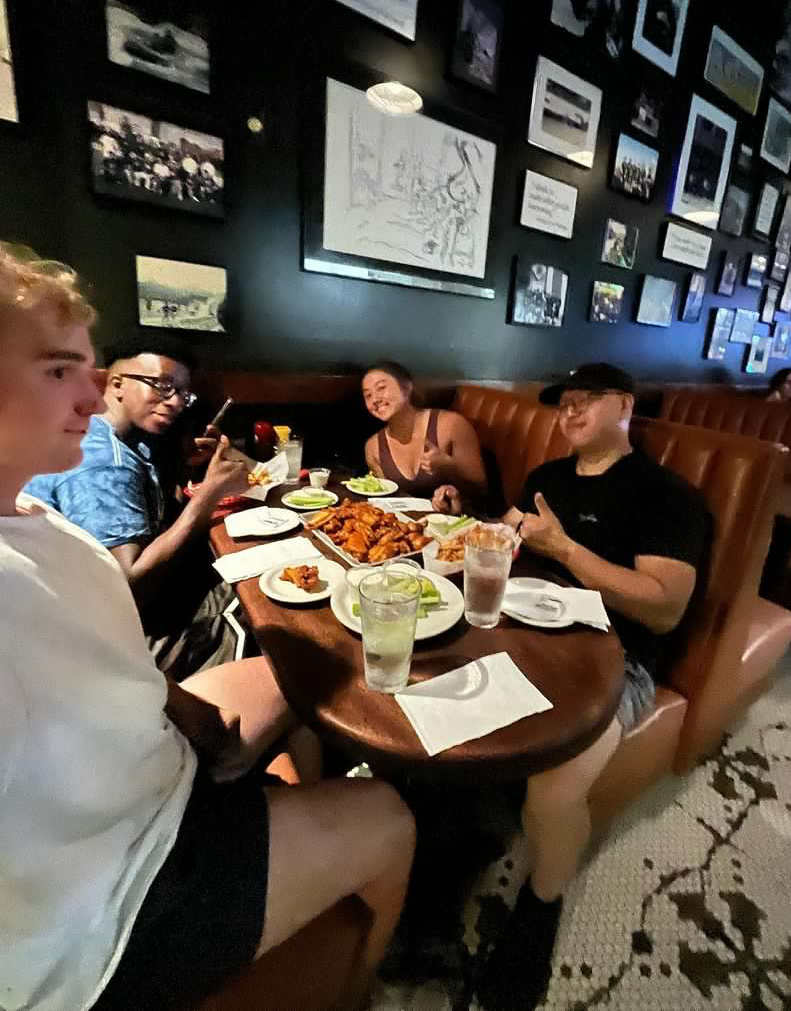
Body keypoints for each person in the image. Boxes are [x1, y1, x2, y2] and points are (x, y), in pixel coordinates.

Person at [0, 244, 416, 1011]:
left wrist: (186, 711)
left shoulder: (32, 514)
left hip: (153, 761)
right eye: (59, 370)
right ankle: (358, 986)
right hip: (112, 903)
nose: (91, 396)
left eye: (90, 369)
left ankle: (295, 814)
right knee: (390, 814)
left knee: (302, 665)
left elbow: (108, 650)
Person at [437, 364, 708, 1011]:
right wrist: (459, 519)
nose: (570, 412)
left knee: (555, 786)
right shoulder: (547, 478)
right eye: (564, 405)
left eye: (587, 401)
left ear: (625, 404)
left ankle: (540, 909)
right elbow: (500, 534)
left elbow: (664, 608)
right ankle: (452, 838)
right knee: (431, 698)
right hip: (525, 634)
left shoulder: (665, 495)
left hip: (617, 662)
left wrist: (564, 549)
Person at [25, 336, 244, 677]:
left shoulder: (102, 435)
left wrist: (186, 468)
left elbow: (150, 516)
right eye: (163, 386)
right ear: (117, 384)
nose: (175, 402)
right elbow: (129, 587)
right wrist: (209, 495)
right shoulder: (105, 461)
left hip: (75, 617)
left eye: (183, 394)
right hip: (104, 641)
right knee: (254, 604)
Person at [362, 360, 487, 500]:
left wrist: (450, 465)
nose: (375, 399)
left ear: (406, 387)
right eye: (368, 395)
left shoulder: (451, 424)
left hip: (458, 512)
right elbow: (385, 500)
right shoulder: (373, 448)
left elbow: (481, 488)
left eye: (381, 388)